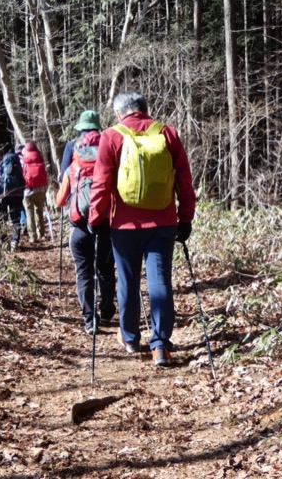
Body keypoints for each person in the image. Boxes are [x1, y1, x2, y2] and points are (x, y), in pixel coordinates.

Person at [87, 92, 195, 367]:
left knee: (128, 281)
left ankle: (131, 338)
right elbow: (184, 179)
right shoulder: (167, 133)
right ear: (146, 110)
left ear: (120, 113)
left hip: (124, 224)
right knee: (159, 280)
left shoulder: (112, 136)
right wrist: (186, 218)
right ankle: (160, 346)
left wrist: (96, 219)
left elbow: (100, 182)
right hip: (164, 223)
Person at [55, 130, 116, 335]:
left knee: (84, 272)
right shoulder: (110, 166)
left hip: (80, 228)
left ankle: (90, 320)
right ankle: (107, 311)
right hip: (105, 226)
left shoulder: (73, 167)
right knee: (106, 269)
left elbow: (60, 200)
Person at [0, 143, 26, 251]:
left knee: (2, 219)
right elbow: (22, 177)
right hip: (16, 194)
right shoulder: (16, 161)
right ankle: (15, 241)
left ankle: (5, 242)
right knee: (15, 219)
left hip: (2, 195)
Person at [60, 110, 102, 180]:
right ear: (97, 127)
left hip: (78, 188)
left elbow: (64, 174)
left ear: (80, 128)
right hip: (102, 187)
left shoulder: (72, 145)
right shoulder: (105, 144)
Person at [21, 141, 48, 244]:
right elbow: (45, 173)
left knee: (29, 213)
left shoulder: (24, 159)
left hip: (28, 190)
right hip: (40, 189)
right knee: (39, 211)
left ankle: (33, 237)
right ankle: (42, 234)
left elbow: (23, 173)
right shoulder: (39, 157)